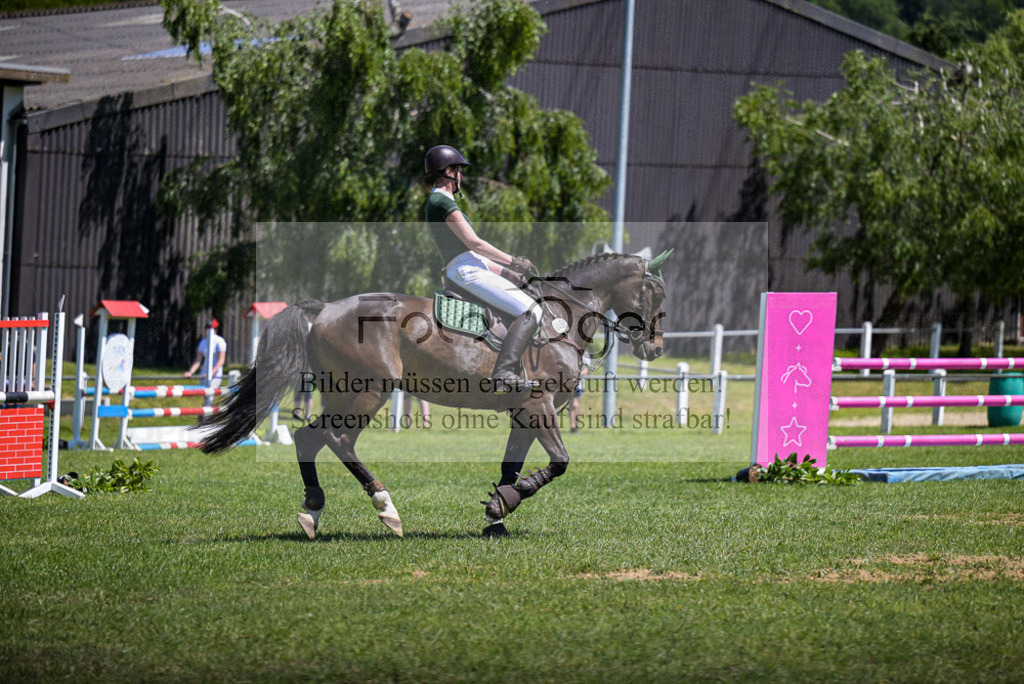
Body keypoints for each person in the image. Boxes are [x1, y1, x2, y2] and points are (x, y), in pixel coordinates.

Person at [424, 144, 541, 392]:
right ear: (448, 171)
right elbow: (474, 244)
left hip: (470, 267)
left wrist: (505, 272)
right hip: (466, 271)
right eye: (459, 170)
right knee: (531, 311)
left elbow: (469, 253)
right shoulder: (440, 201)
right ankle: (504, 373)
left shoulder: (442, 200)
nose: (461, 176)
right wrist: (513, 260)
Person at [184, 318, 227, 407]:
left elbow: (221, 361)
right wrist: (190, 372)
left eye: (210, 329)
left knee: (209, 399)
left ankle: (205, 418)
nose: (208, 331)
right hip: (204, 374)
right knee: (206, 400)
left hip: (215, 375)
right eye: (207, 328)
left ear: (215, 330)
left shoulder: (220, 341)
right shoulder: (203, 342)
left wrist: (210, 374)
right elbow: (198, 360)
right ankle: (205, 418)